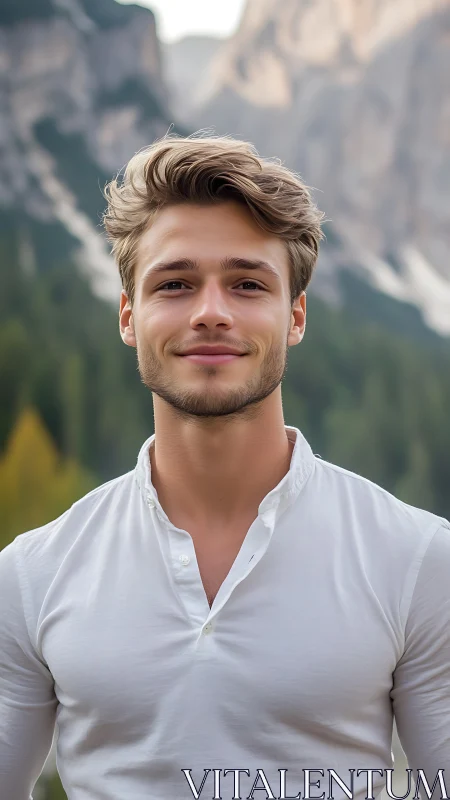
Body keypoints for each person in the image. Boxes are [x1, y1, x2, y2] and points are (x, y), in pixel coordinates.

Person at [0, 133, 449, 800]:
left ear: (295, 316)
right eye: (175, 284)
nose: (211, 313)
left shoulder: (419, 560)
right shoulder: (29, 576)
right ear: (129, 316)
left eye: (247, 284)